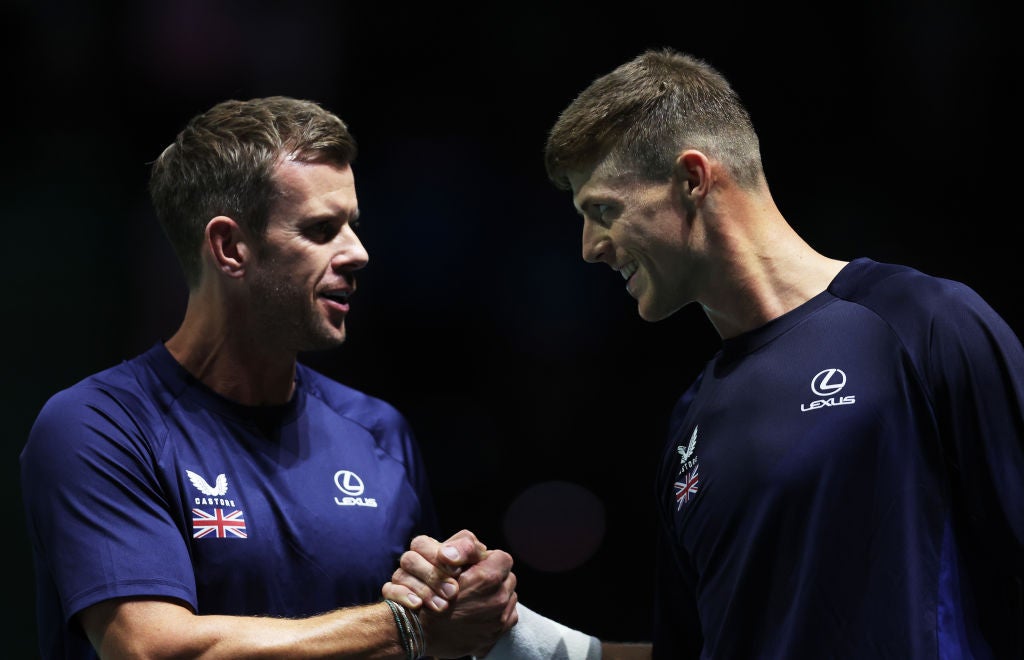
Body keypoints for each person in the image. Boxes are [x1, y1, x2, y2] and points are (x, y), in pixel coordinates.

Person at [384, 48, 1024, 658]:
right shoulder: (693, 424)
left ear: (692, 178)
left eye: (603, 209)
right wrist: (502, 637)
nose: (589, 247)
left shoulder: (925, 323)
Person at [19, 95, 518, 659]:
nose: (358, 253)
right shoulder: (99, 427)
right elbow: (151, 651)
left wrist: (459, 595)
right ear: (230, 247)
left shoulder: (380, 431)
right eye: (322, 229)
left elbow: (429, 632)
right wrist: (406, 627)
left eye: (353, 225)